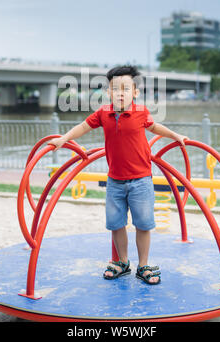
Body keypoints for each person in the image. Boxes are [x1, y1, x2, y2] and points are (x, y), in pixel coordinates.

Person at [48, 65, 189, 285]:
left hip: (141, 179)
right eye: (115, 89)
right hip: (115, 181)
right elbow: (83, 127)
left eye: (125, 88)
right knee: (116, 224)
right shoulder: (103, 113)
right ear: (109, 92)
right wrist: (63, 139)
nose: (120, 93)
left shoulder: (141, 112)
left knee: (143, 224)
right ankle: (123, 263)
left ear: (134, 92)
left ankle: (143, 266)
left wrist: (175, 135)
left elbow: (155, 127)